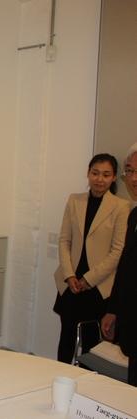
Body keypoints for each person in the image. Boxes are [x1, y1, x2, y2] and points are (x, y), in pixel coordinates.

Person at [53, 153, 130, 364]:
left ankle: (87, 380)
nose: (99, 179)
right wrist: (69, 275)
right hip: (70, 282)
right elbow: (64, 240)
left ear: (114, 178)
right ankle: (60, 374)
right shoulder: (74, 200)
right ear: (88, 173)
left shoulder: (121, 206)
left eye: (106, 174)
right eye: (95, 173)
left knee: (91, 343)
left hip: (98, 285)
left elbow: (118, 251)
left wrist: (89, 279)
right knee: (66, 336)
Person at [102, 143, 137, 386]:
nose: (133, 179)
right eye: (130, 171)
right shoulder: (134, 215)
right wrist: (114, 309)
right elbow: (126, 267)